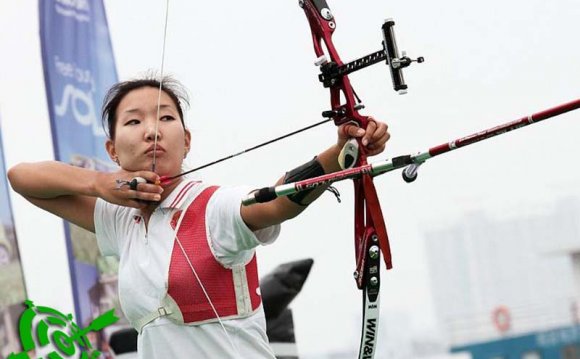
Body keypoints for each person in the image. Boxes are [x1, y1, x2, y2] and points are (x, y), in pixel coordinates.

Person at [7, 76, 390, 358]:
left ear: (186, 140)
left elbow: (274, 202)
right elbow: (21, 178)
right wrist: (99, 183)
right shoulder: (120, 220)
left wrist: (341, 154)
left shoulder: (213, 207)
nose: (152, 131)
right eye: (134, 122)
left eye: (166, 118)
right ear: (112, 149)